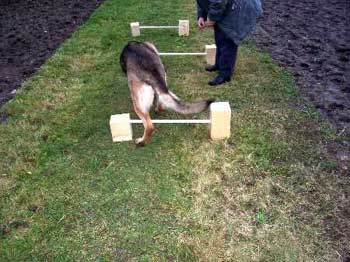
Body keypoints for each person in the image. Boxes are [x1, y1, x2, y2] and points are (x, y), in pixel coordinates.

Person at [197, 0, 263, 86]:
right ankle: (219, 64)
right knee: (220, 34)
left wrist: (212, 18)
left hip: (240, 7)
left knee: (228, 39)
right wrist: (201, 16)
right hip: (227, 5)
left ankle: (225, 74)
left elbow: (218, 2)